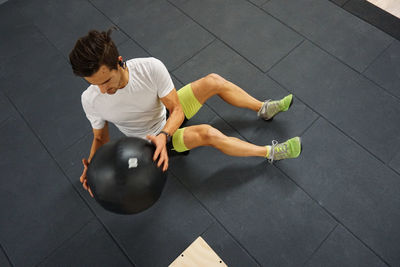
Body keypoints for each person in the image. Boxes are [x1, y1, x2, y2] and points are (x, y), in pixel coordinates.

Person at [69, 29, 302, 197]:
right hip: (151, 143)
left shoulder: (149, 68)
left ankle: (263, 109)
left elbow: (176, 109)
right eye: (93, 84)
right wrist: (93, 167)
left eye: (106, 80)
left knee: (213, 81)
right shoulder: (90, 100)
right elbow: (100, 138)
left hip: (167, 124)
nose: (102, 90)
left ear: (119, 62)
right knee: (208, 133)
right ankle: (270, 152)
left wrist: (165, 132)